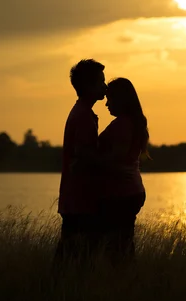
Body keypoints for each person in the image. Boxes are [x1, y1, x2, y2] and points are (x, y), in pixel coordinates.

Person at [54, 59, 107, 265]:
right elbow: (85, 155)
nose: (105, 86)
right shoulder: (84, 116)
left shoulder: (81, 113)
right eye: (100, 82)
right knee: (77, 258)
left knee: (69, 256)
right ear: (88, 86)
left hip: (74, 199)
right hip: (80, 200)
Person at [97, 77, 150, 265]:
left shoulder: (122, 124)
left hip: (122, 194)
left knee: (116, 248)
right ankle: (127, 283)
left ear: (121, 100)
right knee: (123, 244)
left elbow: (115, 159)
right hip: (132, 191)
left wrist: (86, 159)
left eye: (110, 99)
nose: (106, 104)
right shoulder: (133, 122)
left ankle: (123, 283)